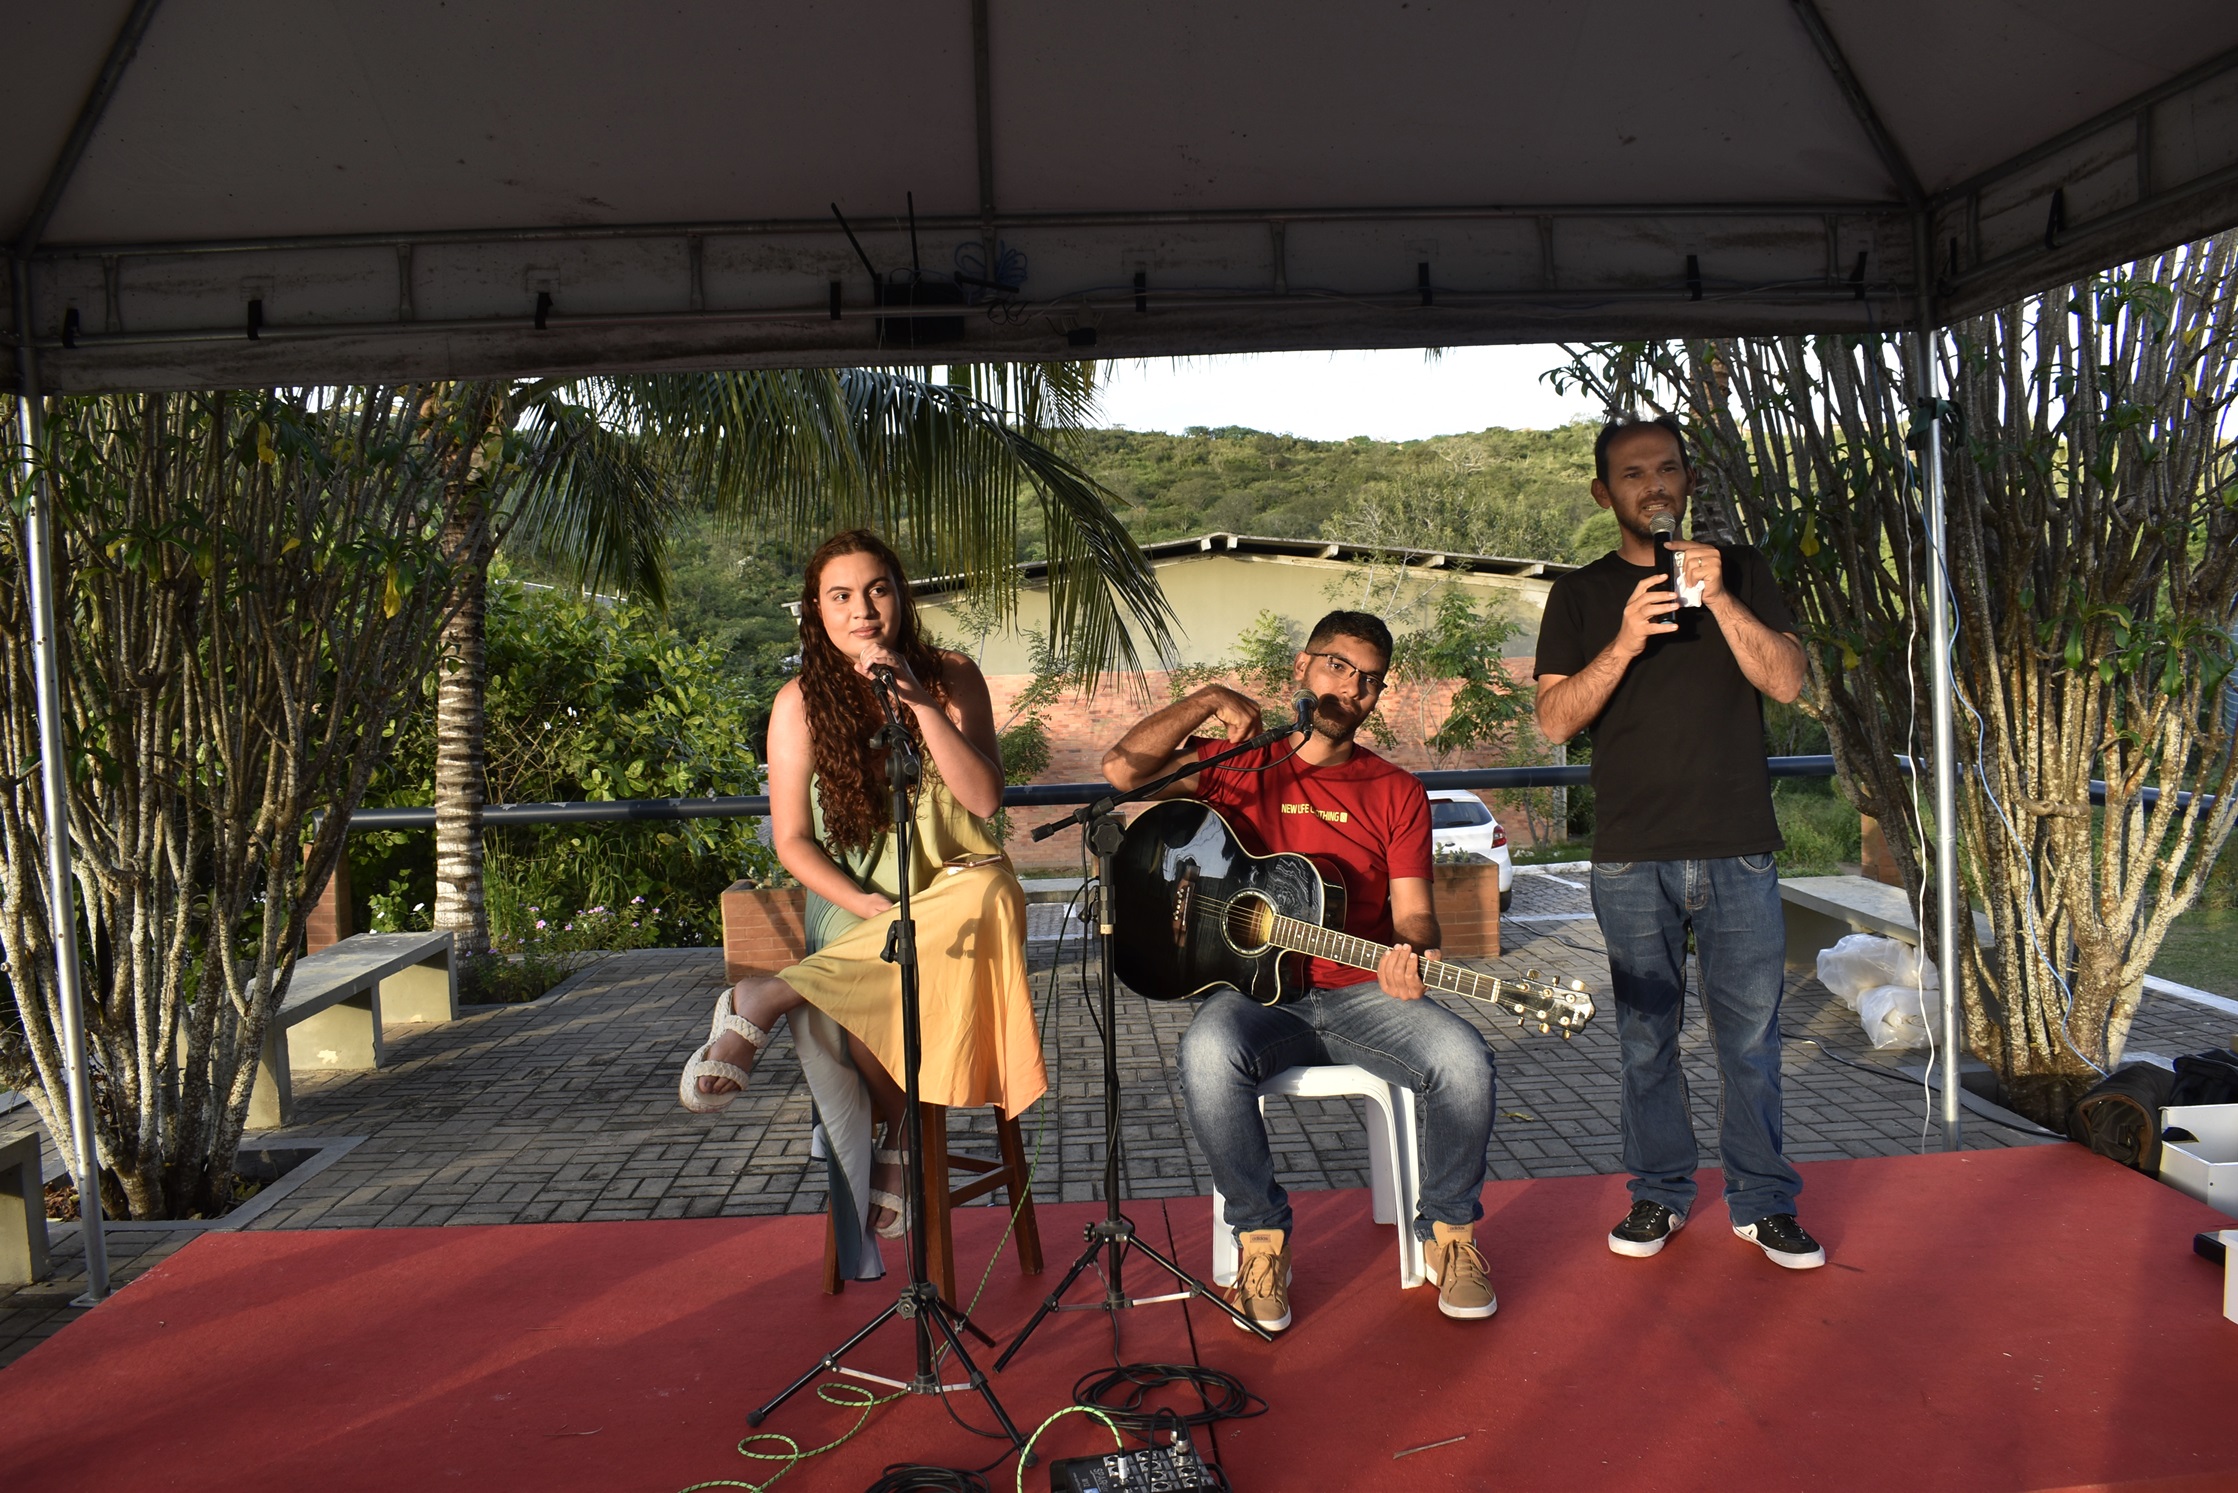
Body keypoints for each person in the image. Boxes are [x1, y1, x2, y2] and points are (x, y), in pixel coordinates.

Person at [1102, 610, 1499, 1330]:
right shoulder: (1237, 762)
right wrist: (1207, 698)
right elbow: (1121, 770)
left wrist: (1411, 953)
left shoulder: (1395, 790)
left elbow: (1415, 913)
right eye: (1338, 666)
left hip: (1363, 993)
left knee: (1464, 1059)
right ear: (1302, 668)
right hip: (1255, 997)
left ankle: (1448, 1232)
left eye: (1370, 679)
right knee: (1207, 1052)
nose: (1352, 688)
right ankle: (1262, 1240)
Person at [676, 530, 1046, 1280]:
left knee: (988, 889)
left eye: (877, 589)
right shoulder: (797, 704)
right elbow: (792, 840)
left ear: (900, 595)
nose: (863, 609)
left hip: (957, 890)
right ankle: (904, 1129)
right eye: (840, 595)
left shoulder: (951, 675)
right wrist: (865, 902)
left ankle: (769, 995)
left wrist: (915, 697)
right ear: (816, 611)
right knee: (870, 976)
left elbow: (983, 800)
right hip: (856, 898)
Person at [1533, 415, 1824, 1269]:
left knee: (1751, 1040)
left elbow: (1788, 681)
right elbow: (1554, 719)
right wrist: (1625, 640)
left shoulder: (1744, 570)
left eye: (1666, 469)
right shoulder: (1580, 595)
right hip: (1631, 855)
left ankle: (1764, 1201)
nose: (1652, 485)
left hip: (1738, 846)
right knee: (1645, 1040)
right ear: (1604, 493)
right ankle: (1659, 1192)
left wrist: (1721, 596)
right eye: (1632, 474)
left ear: (1689, 482)